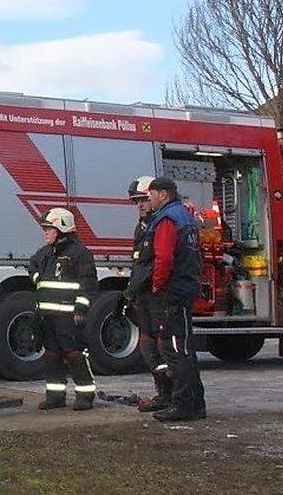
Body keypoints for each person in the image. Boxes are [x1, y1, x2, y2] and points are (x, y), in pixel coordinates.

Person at [146, 177, 207, 421]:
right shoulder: (185, 216)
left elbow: (164, 258)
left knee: (173, 350)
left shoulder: (167, 219)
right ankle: (196, 403)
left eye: (150, 194)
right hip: (184, 289)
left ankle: (182, 404)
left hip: (171, 291)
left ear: (163, 194)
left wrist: (156, 286)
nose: (148, 199)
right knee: (186, 350)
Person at [29, 208, 98, 410]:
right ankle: (55, 396)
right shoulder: (45, 253)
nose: (46, 233)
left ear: (61, 229)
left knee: (74, 355)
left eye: (49, 229)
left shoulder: (80, 253)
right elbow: (32, 266)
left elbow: (88, 284)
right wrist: (37, 279)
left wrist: (80, 309)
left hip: (68, 315)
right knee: (51, 355)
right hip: (47, 315)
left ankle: (85, 394)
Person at [122, 175, 171, 412]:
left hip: (156, 295)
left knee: (162, 347)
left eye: (143, 199)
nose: (140, 205)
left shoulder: (160, 224)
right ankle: (163, 393)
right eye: (136, 201)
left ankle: (170, 394)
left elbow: (158, 262)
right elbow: (139, 264)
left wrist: (142, 287)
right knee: (148, 346)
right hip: (143, 295)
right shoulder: (142, 226)